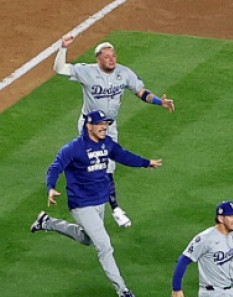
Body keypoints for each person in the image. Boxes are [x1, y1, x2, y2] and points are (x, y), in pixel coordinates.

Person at [30, 110, 162, 297]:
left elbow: (123, 155)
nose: (104, 127)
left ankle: (47, 222)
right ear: (88, 125)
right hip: (81, 203)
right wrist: (51, 187)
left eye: (106, 124)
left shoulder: (106, 143)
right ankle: (124, 291)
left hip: (99, 202)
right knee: (104, 246)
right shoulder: (73, 148)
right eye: (100, 124)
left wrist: (146, 163)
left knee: (86, 238)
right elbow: (55, 167)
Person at [53, 35, 175, 228]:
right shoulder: (87, 71)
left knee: (108, 166)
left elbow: (141, 92)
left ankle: (106, 204)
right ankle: (115, 208)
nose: (112, 59)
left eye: (113, 56)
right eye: (107, 57)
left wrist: (160, 101)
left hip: (109, 126)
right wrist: (63, 48)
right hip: (90, 126)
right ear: (98, 59)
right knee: (99, 163)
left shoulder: (124, 73)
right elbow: (59, 69)